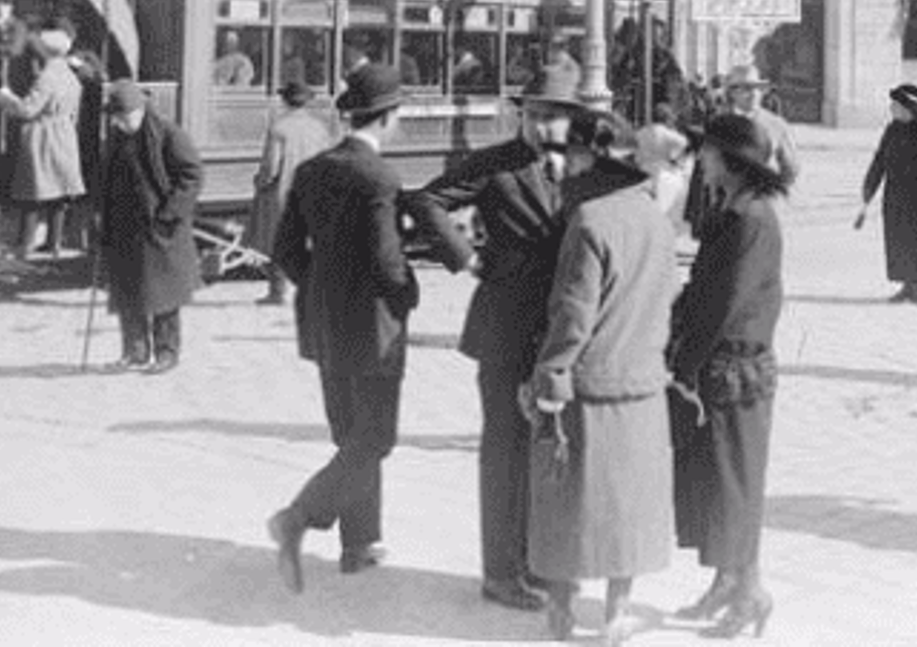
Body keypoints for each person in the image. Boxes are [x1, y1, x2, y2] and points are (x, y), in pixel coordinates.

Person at [403, 62, 576, 613]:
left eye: (557, 117)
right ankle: (500, 573)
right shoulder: (494, 165)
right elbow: (426, 201)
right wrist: (467, 257)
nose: (547, 126)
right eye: (539, 115)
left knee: (547, 451)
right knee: (505, 450)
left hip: (558, 332)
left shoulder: (579, 166)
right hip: (504, 326)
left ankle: (537, 560)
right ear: (520, 113)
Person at [523, 103, 676, 645]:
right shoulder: (656, 221)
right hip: (640, 386)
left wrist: (548, 382)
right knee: (626, 512)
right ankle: (616, 615)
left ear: (593, 162)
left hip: (588, 389)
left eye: (575, 156)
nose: (567, 167)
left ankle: (561, 613)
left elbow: (572, 317)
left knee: (568, 506)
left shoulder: (589, 222)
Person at [268, 64, 421, 593]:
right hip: (374, 328)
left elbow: (285, 248)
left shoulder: (313, 171)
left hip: (323, 323)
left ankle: (358, 545)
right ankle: (299, 516)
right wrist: (409, 295)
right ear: (390, 117)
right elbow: (386, 263)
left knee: (350, 434)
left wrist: (321, 287)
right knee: (376, 436)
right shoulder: (380, 178)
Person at [669, 111, 787, 640]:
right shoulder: (735, 209)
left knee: (735, 485)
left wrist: (684, 366)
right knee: (720, 483)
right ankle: (726, 581)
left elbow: (722, 303)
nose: (701, 162)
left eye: (709, 153)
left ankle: (750, 593)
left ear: (732, 160)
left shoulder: (750, 218)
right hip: (725, 365)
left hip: (735, 368)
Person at [95, 80, 203, 373]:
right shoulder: (117, 137)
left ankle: (167, 353)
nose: (119, 123)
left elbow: (191, 175)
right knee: (127, 291)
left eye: (124, 117)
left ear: (140, 110)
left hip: (160, 228)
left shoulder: (169, 134)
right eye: (115, 118)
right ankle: (135, 351)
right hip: (124, 228)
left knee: (163, 293)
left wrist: (169, 214)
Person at [0, 26, 86, 259]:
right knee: (58, 194)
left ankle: (24, 246)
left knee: (31, 193)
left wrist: (5, 96)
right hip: (64, 136)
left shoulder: (47, 77)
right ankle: (53, 245)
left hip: (43, 138)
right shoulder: (69, 75)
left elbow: (27, 109)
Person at [856, 84, 917, 303]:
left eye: (896, 105)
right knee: (898, 240)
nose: (892, 108)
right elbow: (880, 160)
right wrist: (870, 185)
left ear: (910, 108)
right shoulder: (892, 130)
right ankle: (906, 285)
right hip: (895, 195)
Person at [246, 80, 330, 308]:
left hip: (283, 193)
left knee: (278, 242)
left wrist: (260, 183)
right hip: (313, 192)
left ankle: (277, 292)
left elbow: (271, 167)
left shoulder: (279, 129)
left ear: (285, 101)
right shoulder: (319, 128)